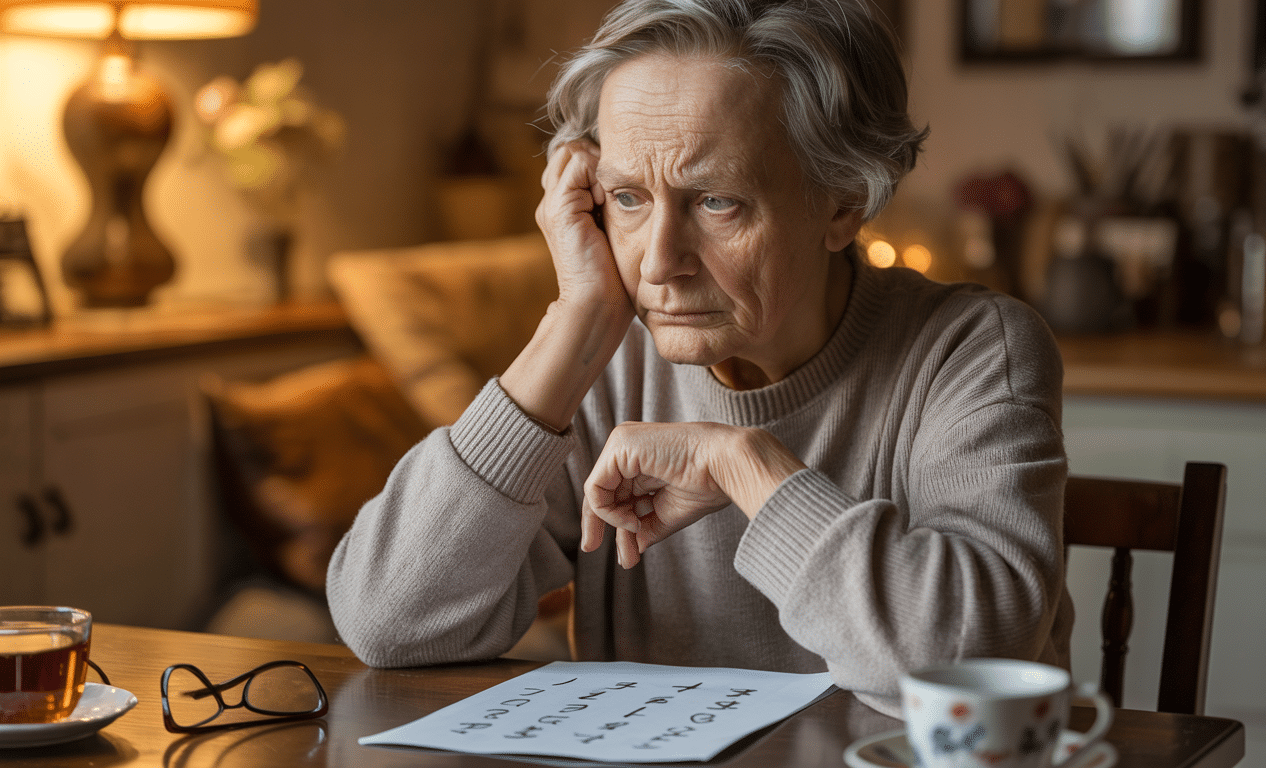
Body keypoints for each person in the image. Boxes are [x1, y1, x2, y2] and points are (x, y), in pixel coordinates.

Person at [327, 0, 1072, 716]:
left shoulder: (973, 350)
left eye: (717, 202)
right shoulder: (607, 355)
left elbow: (973, 664)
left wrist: (743, 465)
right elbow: (388, 621)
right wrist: (577, 320)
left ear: (843, 200)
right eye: (627, 197)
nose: (658, 262)